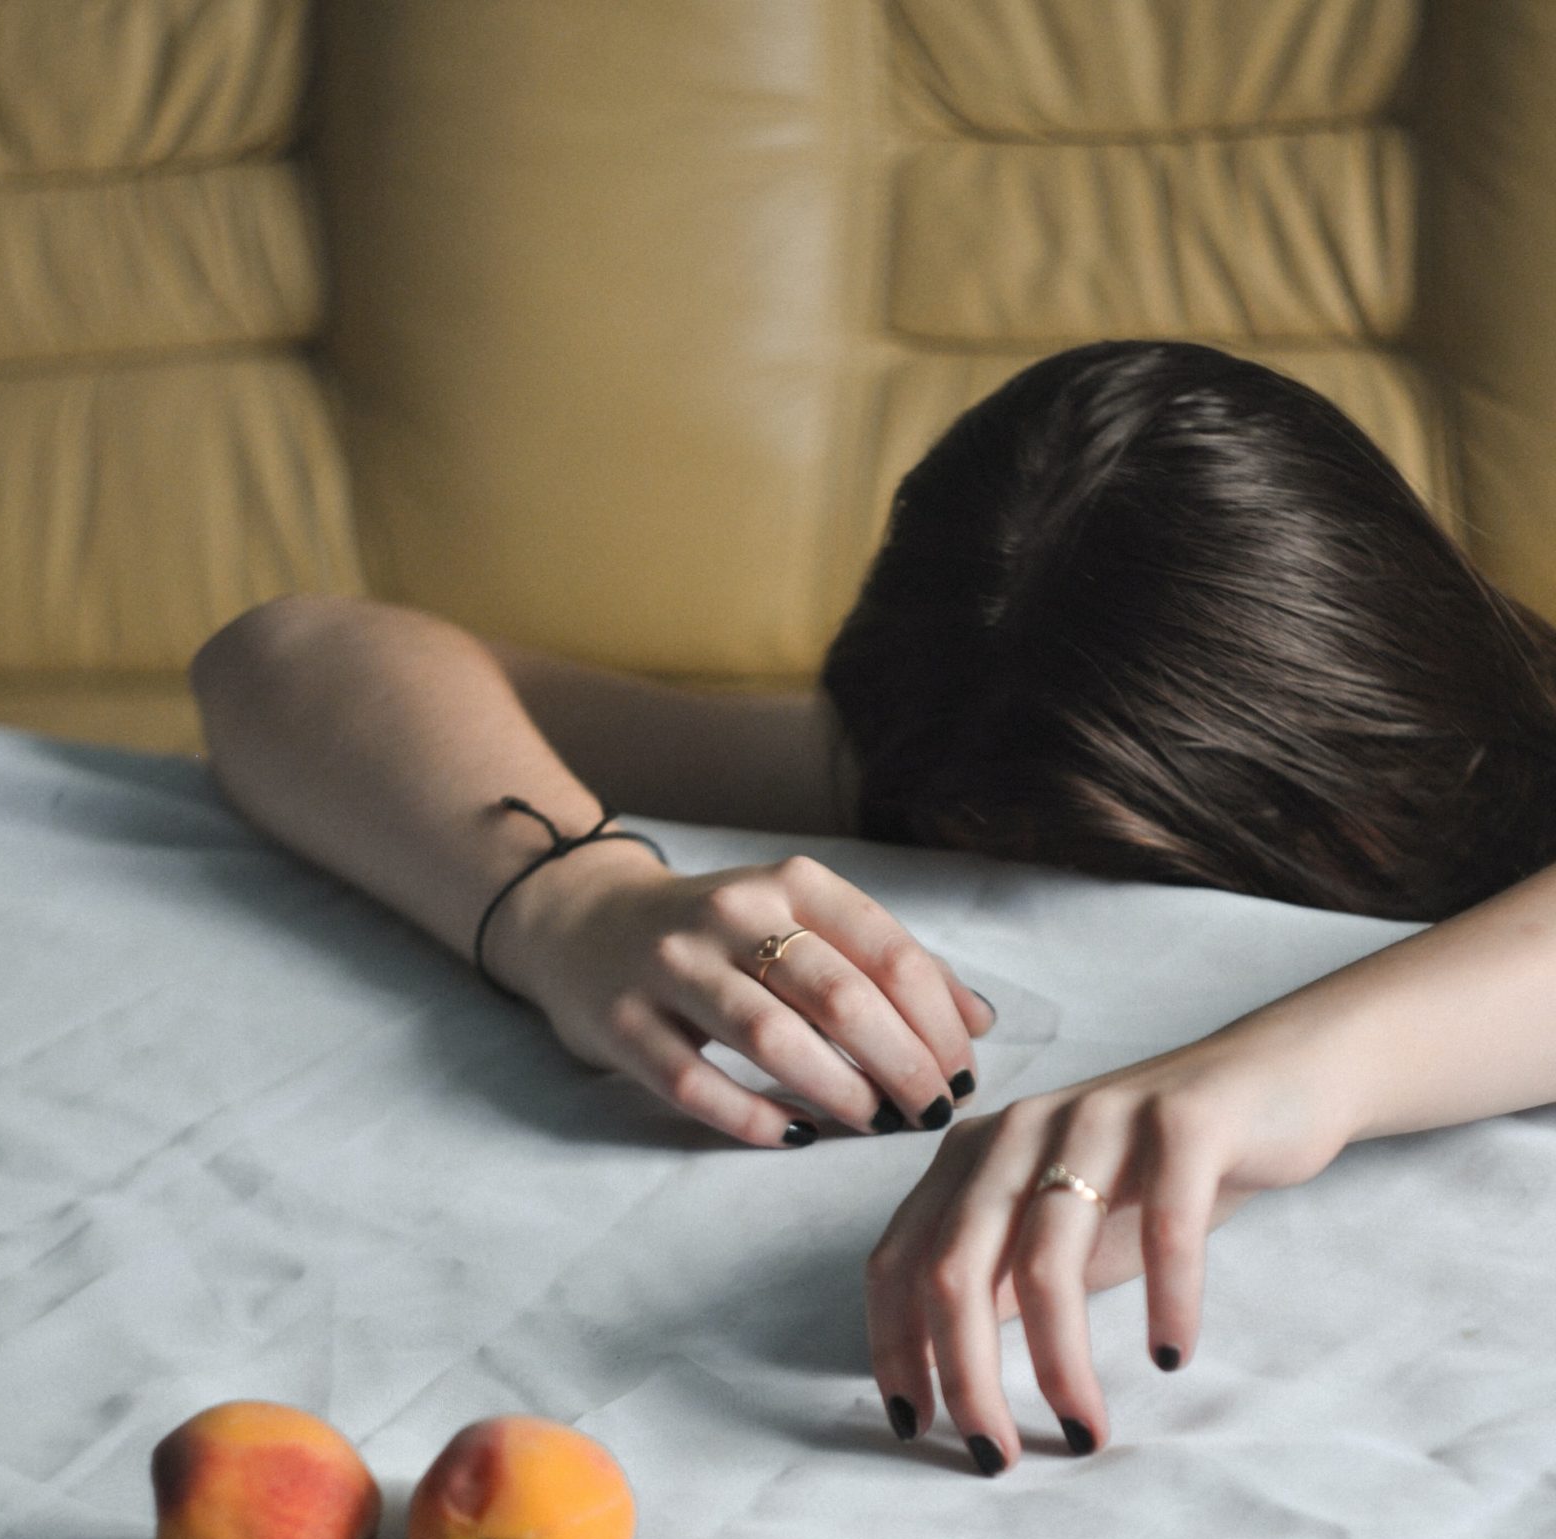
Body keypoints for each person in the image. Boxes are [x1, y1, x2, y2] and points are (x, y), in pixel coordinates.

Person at [192, 340, 1556, 1478]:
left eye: (1213, 856)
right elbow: (281, 655)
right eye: (1009, 853)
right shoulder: (986, 741)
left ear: (1386, 718)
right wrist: (575, 899)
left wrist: (1281, 1071)